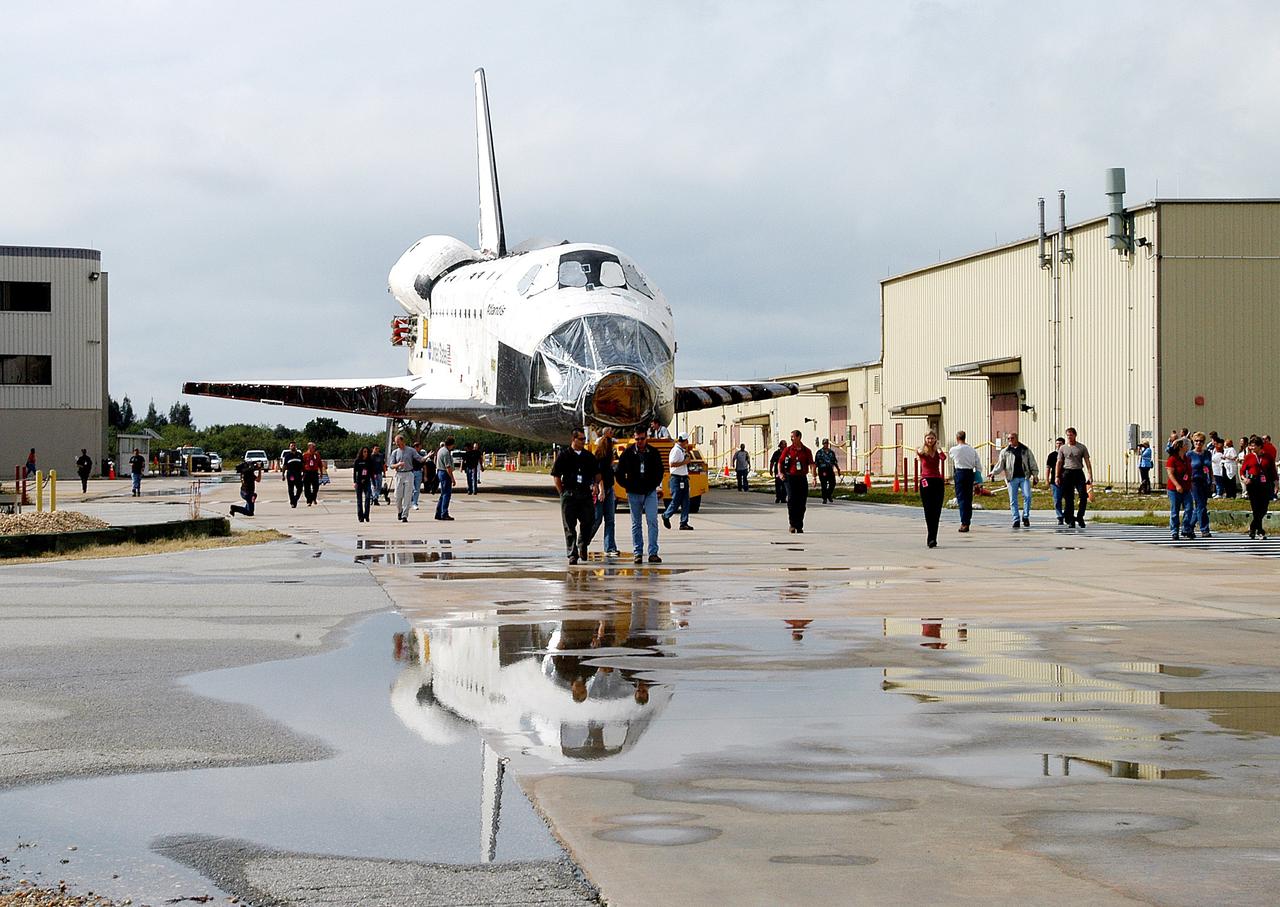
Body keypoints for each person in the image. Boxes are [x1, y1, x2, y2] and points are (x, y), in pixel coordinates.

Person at [550, 429, 601, 564]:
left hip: (585, 494)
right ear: (574, 439)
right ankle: (572, 553)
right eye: (581, 439)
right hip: (570, 494)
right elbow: (556, 476)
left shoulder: (588, 456)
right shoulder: (564, 455)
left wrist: (596, 484)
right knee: (569, 525)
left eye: (584, 439)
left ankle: (583, 544)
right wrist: (562, 493)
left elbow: (597, 473)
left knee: (589, 521)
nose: (584, 441)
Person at [616, 428, 665, 563]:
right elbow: (619, 473)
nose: (640, 442)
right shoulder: (628, 453)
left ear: (646, 437)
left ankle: (653, 553)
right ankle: (638, 553)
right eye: (637, 439)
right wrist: (628, 486)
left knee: (652, 521)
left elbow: (660, 471)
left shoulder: (653, 453)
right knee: (636, 524)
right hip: (634, 493)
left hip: (650, 492)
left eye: (642, 439)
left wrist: (654, 485)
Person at [989, 431, 1038, 528]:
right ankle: (1016, 519)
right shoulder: (1005, 452)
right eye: (1008, 439)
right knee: (1013, 499)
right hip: (1012, 478)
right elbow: (1000, 464)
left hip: (1024, 477)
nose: (1010, 440)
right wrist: (993, 472)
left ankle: (1025, 516)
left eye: (1012, 438)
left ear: (1016, 438)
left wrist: (1035, 475)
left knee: (1027, 496)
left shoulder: (1025, 450)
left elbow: (1032, 462)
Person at [1055, 427, 1093, 528]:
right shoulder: (1063, 448)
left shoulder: (1081, 447)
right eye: (1068, 435)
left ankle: (1080, 516)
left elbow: (1087, 461)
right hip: (1067, 473)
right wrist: (1057, 476)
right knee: (1069, 498)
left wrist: (1090, 475)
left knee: (1083, 495)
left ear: (1075, 435)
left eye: (1071, 435)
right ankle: (1070, 519)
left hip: (1078, 472)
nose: (1069, 437)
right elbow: (1059, 462)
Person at [779, 430, 815, 533]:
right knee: (791, 500)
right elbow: (780, 462)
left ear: (799, 437)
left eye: (793, 437)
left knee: (801, 502)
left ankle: (799, 525)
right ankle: (792, 524)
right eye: (791, 437)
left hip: (801, 478)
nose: (791, 438)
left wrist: (814, 478)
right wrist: (780, 473)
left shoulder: (806, 451)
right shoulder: (787, 450)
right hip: (790, 478)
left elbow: (812, 464)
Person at [1241, 435, 1276, 540]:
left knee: (1263, 509)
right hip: (1253, 484)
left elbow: (1273, 472)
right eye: (1251, 446)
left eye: (1254, 446)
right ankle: (1259, 531)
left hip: (1265, 485)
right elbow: (1242, 470)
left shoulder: (1268, 457)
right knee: (1256, 509)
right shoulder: (1249, 457)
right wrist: (1244, 479)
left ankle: (1253, 527)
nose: (1252, 448)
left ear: (1260, 446)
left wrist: (1276, 484)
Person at [948, 430, 982, 533]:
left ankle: (964, 522)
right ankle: (967, 520)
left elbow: (951, 457)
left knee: (961, 498)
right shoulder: (972, 450)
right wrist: (977, 479)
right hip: (970, 473)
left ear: (957, 438)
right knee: (968, 498)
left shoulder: (954, 449)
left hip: (960, 473)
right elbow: (978, 466)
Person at [917, 430, 945, 548]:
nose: (930, 441)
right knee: (928, 510)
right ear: (925, 439)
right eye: (928, 438)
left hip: (937, 481)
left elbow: (943, 458)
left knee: (936, 511)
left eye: (932, 438)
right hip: (926, 481)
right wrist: (921, 449)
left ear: (935, 439)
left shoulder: (938, 452)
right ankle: (930, 537)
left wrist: (938, 448)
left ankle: (934, 537)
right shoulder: (922, 451)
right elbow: (919, 452)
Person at [593, 428, 619, 555]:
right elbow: (599, 476)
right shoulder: (600, 459)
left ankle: (610, 547)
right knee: (597, 518)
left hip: (610, 489)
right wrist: (602, 491)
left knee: (610, 520)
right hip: (602, 490)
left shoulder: (608, 461)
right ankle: (584, 541)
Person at [662, 434, 694, 531]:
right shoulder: (676, 450)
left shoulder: (681, 450)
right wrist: (685, 462)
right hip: (677, 479)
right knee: (676, 500)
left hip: (683, 478)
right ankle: (666, 515)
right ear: (685, 441)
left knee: (686, 501)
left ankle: (683, 523)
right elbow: (672, 464)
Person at [1187, 433, 1216, 538]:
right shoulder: (1189, 454)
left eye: (1201, 441)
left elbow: (1210, 468)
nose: (1198, 443)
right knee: (1201, 506)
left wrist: (1213, 481)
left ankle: (1188, 527)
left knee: (1200, 506)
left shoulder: (1207, 453)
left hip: (1205, 481)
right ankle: (1204, 529)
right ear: (1193, 442)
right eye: (1196, 441)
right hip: (1194, 481)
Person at [1165, 438, 1194, 540]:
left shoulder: (1187, 459)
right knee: (1175, 510)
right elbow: (1170, 474)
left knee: (1189, 508)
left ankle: (1186, 528)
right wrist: (1177, 485)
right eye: (1187, 444)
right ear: (1181, 447)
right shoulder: (1172, 459)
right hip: (1174, 489)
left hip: (1186, 488)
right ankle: (1174, 530)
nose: (1189, 446)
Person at [388, 434, 421, 522]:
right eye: (395, 442)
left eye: (398, 442)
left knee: (407, 496)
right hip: (399, 474)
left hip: (409, 474)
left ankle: (405, 515)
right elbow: (391, 465)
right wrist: (398, 464)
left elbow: (419, 458)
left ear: (402, 441)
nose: (397, 444)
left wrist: (427, 457)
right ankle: (400, 511)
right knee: (398, 496)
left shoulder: (411, 450)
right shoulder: (395, 452)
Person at [434, 436, 457, 521]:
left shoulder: (441, 450)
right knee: (447, 494)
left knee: (443, 494)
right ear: (451, 444)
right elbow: (448, 467)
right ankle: (444, 513)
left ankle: (438, 513)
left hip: (440, 471)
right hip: (445, 473)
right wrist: (452, 478)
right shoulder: (446, 452)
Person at [1045, 437, 1066, 524]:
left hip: (1066, 480)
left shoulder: (1067, 454)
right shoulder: (1052, 455)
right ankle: (1059, 516)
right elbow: (1048, 468)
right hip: (1055, 481)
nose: (1058, 445)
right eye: (1057, 443)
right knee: (1057, 499)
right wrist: (1047, 480)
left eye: (1060, 443)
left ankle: (1066, 514)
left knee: (1068, 499)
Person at [814, 439, 840, 504]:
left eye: (827, 443)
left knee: (833, 483)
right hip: (822, 470)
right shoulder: (819, 452)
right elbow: (816, 463)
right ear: (823, 444)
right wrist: (814, 473)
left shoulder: (831, 452)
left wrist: (838, 470)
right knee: (824, 485)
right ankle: (824, 498)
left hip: (830, 469)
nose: (826, 444)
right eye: (824, 443)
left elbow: (834, 462)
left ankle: (828, 494)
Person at [353, 446, 373, 523]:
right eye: (364, 452)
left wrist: (374, 482)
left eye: (367, 452)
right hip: (359, 482)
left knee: (368, 498)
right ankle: (360, 516)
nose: (366, 453)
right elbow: (355, 472)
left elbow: (371, 472)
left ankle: (366, 515)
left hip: (367, 481)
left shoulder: (369, 461)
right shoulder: (357, 461)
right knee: (359, 500)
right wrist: (355, 482)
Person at [281, 442, 305, 508]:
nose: (293, 447)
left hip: (298, 474)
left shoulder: (299, 455)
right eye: (291, 446)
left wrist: (304, 473)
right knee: (291, 488)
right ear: (289, 447)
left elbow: (303, 465)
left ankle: (295, 499)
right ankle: (292, 502)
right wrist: (283, 474)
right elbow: (284, 466)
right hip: (291, 474)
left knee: (300, 488)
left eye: (294, 445)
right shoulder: (287, 456)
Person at [411, 442, 425, 511]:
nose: (420, 448)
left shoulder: (421, 454)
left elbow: (424, 465)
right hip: (411, 472)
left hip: (419, 472)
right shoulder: (411, 454)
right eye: (419, 447)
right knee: (411, 489)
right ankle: (410, 501)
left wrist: (425, 475)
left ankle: (415, 503)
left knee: (417, 489)